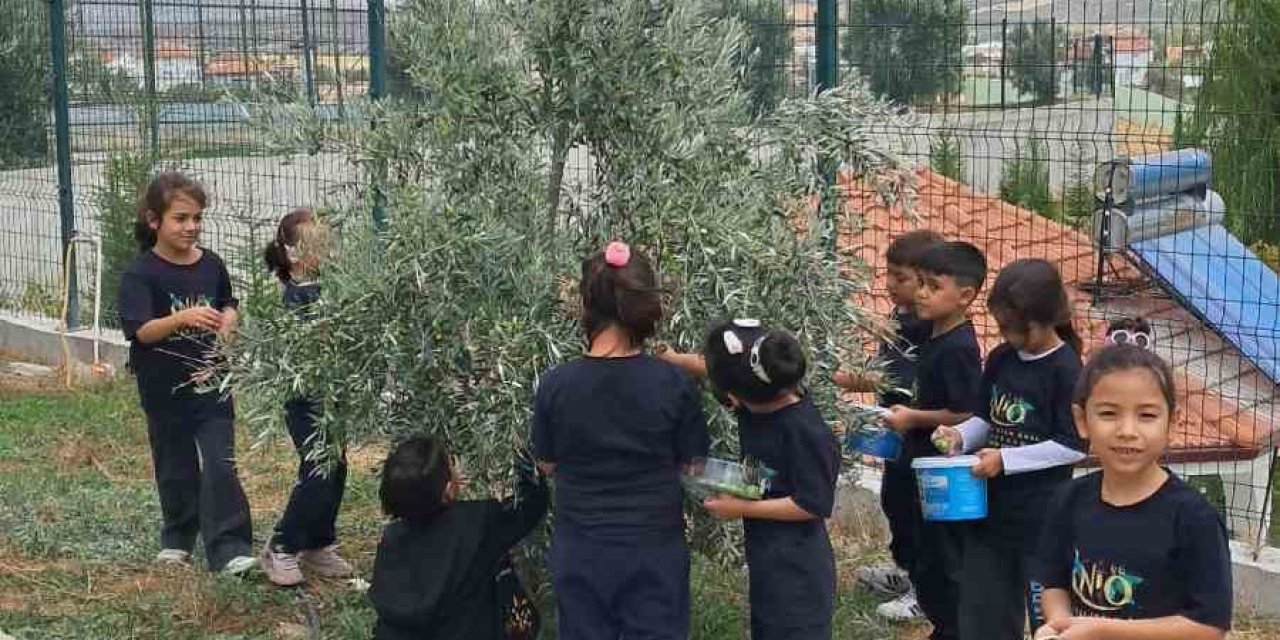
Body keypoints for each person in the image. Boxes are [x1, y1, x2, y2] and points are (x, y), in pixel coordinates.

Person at [532, 241, 710, 640]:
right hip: (654, 549)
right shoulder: (674, 384)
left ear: (586, 305)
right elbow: (694, 467)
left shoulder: (556, 385)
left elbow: (547, 464)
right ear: (647, 307)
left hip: (580, 546)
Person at [931, 259, 1086, 640]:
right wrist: (960, 436)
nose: (1008, 335)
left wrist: (1006, 460)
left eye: (1016, 328)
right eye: (1002, 326)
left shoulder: (1066, 368)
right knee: (984, 607)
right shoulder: (1001, 359)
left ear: (1046, 319)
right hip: (990, 510)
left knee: (1043, 617)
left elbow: (1072, 446)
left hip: (1040, 518)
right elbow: (986, 419)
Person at [1032, 345, 1232, 640]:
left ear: (1172, 423)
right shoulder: (1068, 499)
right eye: (1109, 413)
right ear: (1082, 421)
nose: (1127, 430)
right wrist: (1060, 624)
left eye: (1147, 415)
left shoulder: (1194, 517)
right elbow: (1054, 585)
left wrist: (1103, 630)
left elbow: (1208, 627)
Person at [117, 172, 256, 575]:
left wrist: (230, 317)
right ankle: (178, 536)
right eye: (181, 218)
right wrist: (181, 318)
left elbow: (228, 300)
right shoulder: (141, 274)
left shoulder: (211, 264)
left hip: (212, 382)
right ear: (154, 220)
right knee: (174, 463)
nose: (191, 227)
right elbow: (141, 330)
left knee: (220, 461)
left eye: (197, 218)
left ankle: (230, 547)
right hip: (163, 387)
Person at [699, 320, 842, 640]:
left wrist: (739, 508)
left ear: (733, 396)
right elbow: (716, 368)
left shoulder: (805, 433)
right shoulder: (760, 400)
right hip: (769, 559)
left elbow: (812, 503)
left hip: (799, 570)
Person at [880, 240, 987, 638]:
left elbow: (966, 412)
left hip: (944, 466)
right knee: (925, 552)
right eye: (919, 283)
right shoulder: (933, 333)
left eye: (931, 286)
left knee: (945, 558)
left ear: (965, 296)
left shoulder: (958, 348)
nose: (920, 293)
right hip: (921, 458)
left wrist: (914, 417)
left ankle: (954, 628)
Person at [836, 229, 945, 615]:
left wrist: (842, 379)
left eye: (900, 277)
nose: (890, 285)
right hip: (895, 434)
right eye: (889, 275)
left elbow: (897, 379)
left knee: (918, 511)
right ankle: (908, 571)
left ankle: (926, 593)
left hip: (925, 440)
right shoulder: (900, 317)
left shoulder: (934, 329)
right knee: (895, 502)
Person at [369, 435, 549, 640]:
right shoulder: (478, 524)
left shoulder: (391, 541)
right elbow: (533, 503)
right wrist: (520, 445)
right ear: (448, 489)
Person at [259, 208, 353, 587]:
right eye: (322, 245)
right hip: (305, 402)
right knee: (318, 471)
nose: (332, 252)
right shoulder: (295, 299)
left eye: (332, 243)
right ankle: (281, 546)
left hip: (332, 398)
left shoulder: (331, 287)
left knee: (337, 467)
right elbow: (303, 348)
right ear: (295, 255)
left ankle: (318, 542)